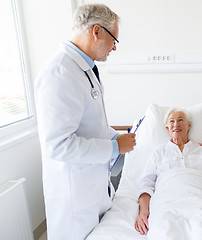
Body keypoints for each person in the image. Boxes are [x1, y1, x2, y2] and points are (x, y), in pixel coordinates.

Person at [35, 4, 136, 240]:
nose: (114, 48)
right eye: (114, 40)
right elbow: (58, 145)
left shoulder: (85, 69)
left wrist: (114, 136)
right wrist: (115, 147)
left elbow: (89, 124)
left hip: (91, 187)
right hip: (73, 195)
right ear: (97, 31)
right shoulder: (59, 72)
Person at [135, 109, 202, 235]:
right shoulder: (159, 153)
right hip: (167, 203)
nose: (176, 124)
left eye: (180, 120)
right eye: (171, 121)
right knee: (165, 230)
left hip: (201, 201)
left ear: (189, 125)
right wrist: (143, 212)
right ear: (167, 128)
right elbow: (146, 185)